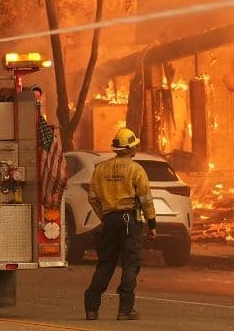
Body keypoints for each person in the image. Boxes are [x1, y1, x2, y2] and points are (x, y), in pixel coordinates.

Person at [83, 127, 156, 321]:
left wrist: (105, 216)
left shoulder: (101, 168)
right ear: (131, 148)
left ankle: (92, 308)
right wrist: (152, 223)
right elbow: (146, 199)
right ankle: (125, 310)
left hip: (109, 222)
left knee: (105, 263)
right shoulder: (136, 170)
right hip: (129, 221)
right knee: (130, 264)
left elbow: (92, 197)